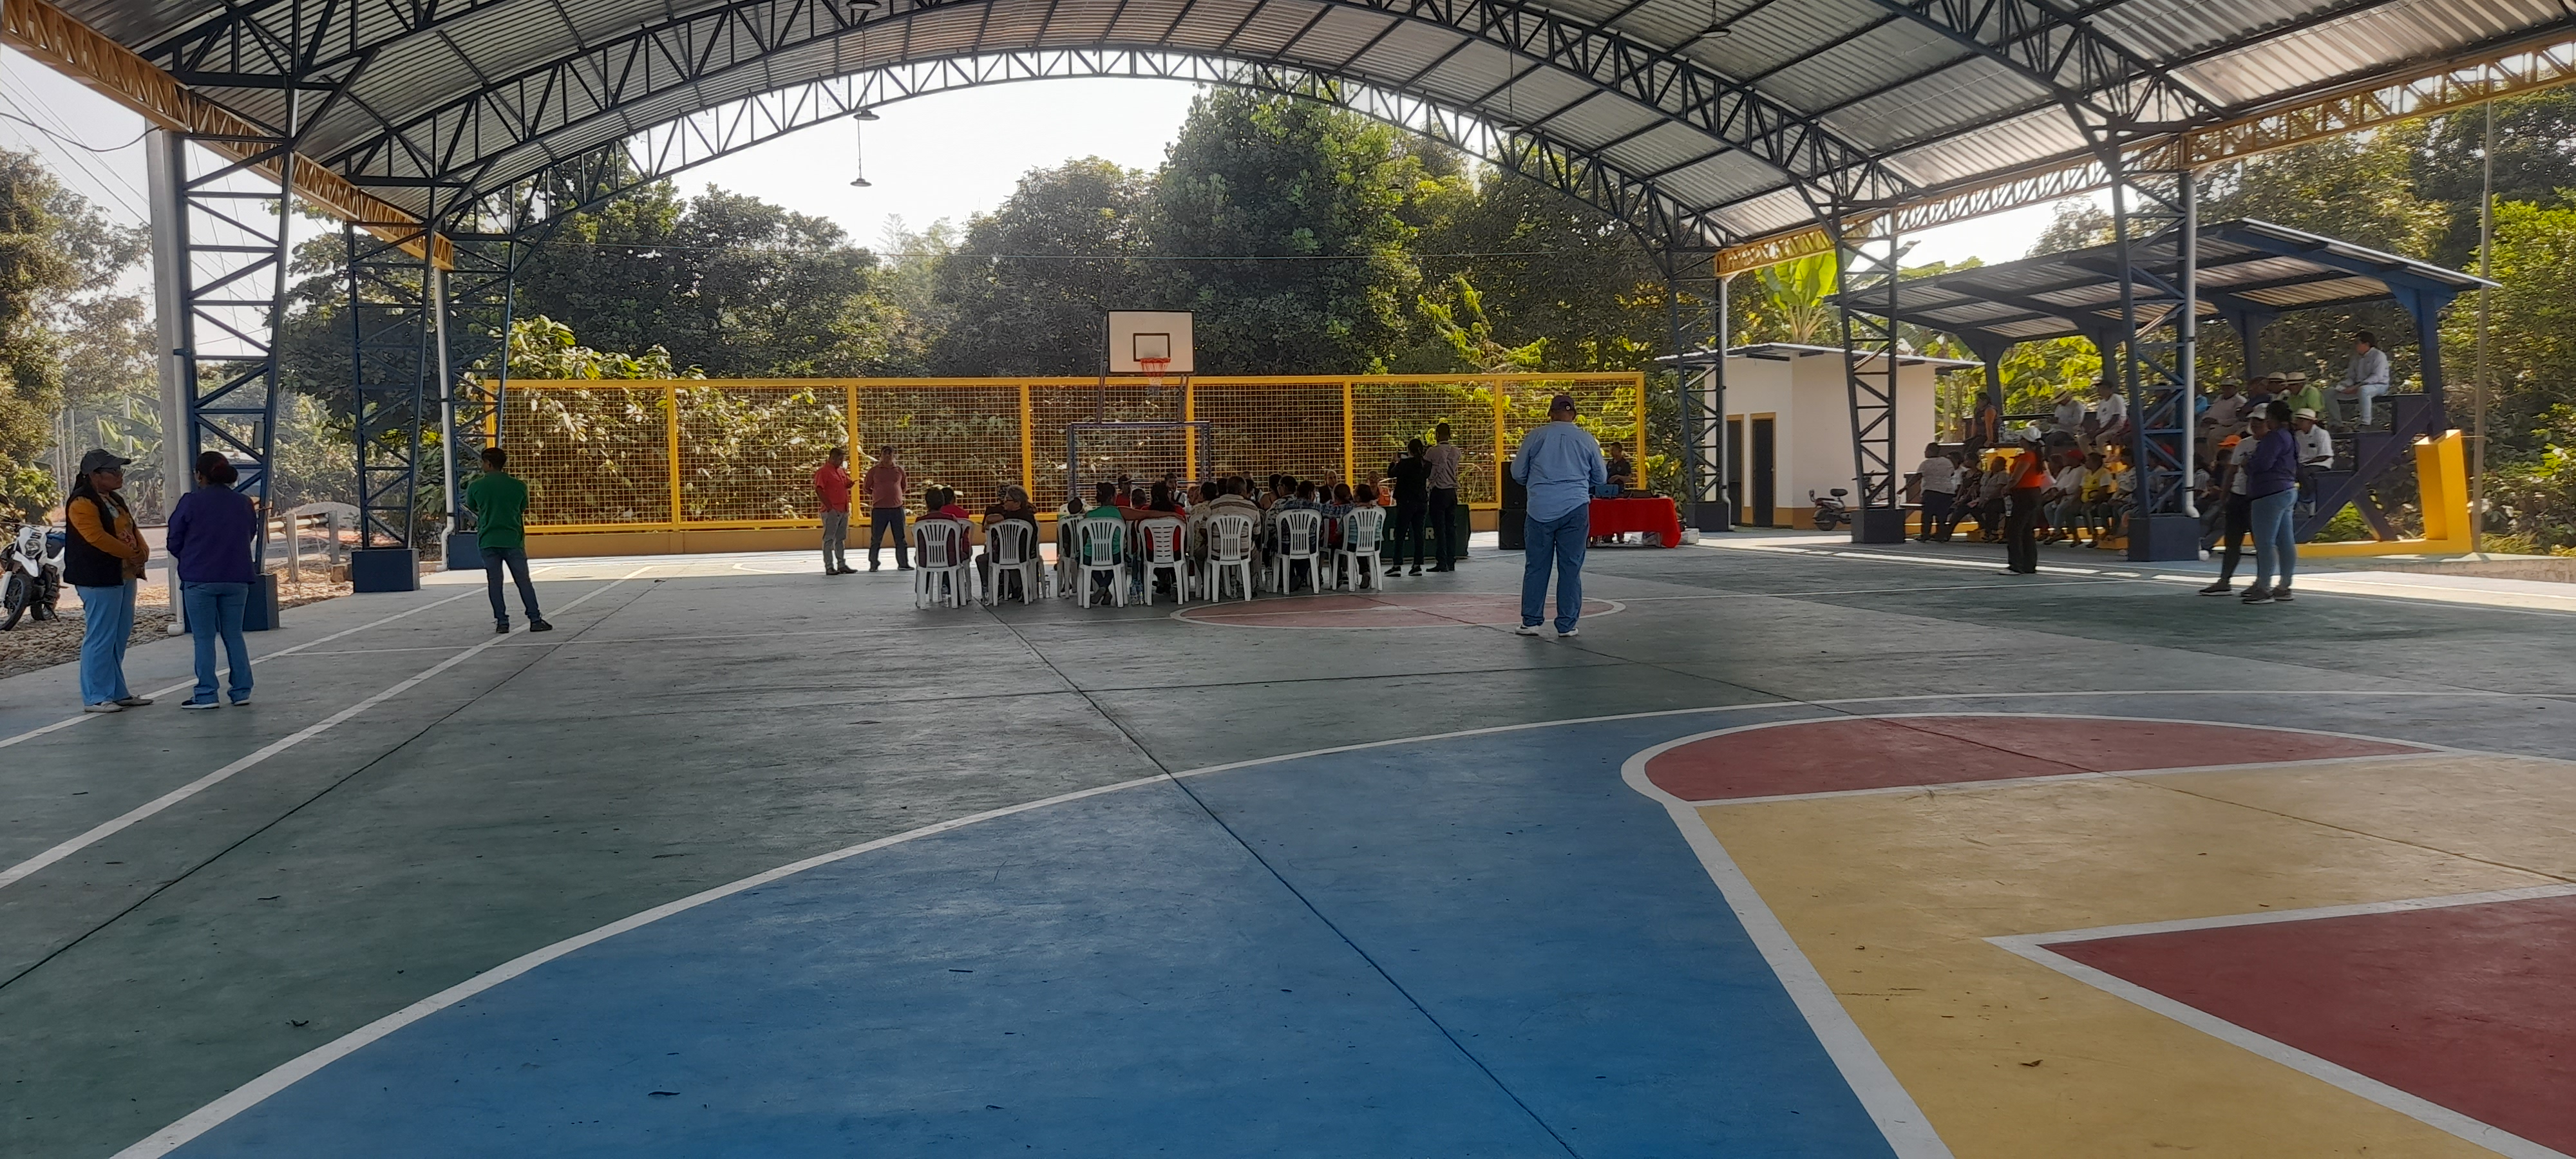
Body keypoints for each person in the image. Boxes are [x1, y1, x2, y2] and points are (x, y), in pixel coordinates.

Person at [167, 451, 258, 708]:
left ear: (199, 475)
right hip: (237, 577)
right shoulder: (243, 502)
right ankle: (241, 691)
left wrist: (191, 556)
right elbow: (250, 533)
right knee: (234, 635)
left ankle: (206, 694)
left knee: (204, 638)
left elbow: (174, 539)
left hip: (199, 578)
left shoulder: (191, 502)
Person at [1510, 393, 1606, 637]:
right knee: (1571, 568)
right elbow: (1601, 477)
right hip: (1575, 508)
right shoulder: (1587, 439)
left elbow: (1518, 473)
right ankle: (1567, 625)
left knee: (1536, 567)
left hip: (1540, 509)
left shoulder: (1536, 436)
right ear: (1574, 414)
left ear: (1550, 413)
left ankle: (1531, 622)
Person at [64, 449, 151, 712]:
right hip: (98, 578)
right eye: (112, 471)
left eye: (119, 471)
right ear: (93, 475)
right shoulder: (82, 503)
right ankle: (96, 696)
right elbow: (97, 538)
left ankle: (117, 691)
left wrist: (142, 551)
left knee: (118, 635)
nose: (119, 475)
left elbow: (130, 528)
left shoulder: (114, 499)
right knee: (101, 636)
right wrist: (131, 554)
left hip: (124, 574)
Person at [464, 447, 551, 634]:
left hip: (488, 540)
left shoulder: (476, 486)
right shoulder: (518, 486)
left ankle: (502, 622)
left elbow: (472, 506)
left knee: (495, 582)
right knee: (523, 581)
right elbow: (522, 507)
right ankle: (535, 619)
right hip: (513, 539)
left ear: (488, 464)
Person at [2242, 400, 2302, 604]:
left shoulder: (2274, 437)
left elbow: (2263, 463)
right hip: (2287, 489)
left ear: (2271, 418)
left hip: (2268, 492)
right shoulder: (2290, 436)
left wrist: (2248, 464)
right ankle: (2284, 585)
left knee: (2265, 542)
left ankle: (2264, 587)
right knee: (2286, 541)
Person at [2200, 422, 2262, 595]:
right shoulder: (2244, 444)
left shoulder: (2271, 444)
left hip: (2258, 496)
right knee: (2232, 541)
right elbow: (2232, 471)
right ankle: (2224, 580)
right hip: (2238, 495)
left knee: (2261, 542)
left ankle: (2261, 582)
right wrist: (2225, 495)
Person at [2001, 432, 2050, 575]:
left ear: (2026, 441)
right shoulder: (2038, 457)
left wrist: (2007, 488)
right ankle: (2029, 564)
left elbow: (2016, 477)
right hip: (2034, 493)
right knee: (2027, 530)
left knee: (2014, 530)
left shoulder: (2027, 456)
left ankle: (2016, 565)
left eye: (2022, 438)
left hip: (2024, 494)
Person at [861, 445, 909, 571]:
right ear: (881, 456)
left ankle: (903, 564)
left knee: (900, 538)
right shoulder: (874, 471)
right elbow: (866, 488)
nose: (888, 456)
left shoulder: (899, 470)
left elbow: (904, 487)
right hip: (879, 509)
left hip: (897, 508)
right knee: (876, 538)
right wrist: (878, 494)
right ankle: (873, 564)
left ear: (894, 456)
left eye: (890, 454)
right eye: (885, 454)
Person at [1387, 438, 1432, 574]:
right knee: (1419, 534)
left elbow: (1391, 474)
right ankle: (1417, 565)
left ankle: (1397, 565)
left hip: (1406, 503)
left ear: (1409, 450)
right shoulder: (1427, 465)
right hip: (1422, 502)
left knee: (1400, 533)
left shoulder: (1404, 464)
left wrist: (1394, 461)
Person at [1424, 422, 1463, 571]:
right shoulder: (1456, 452)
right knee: (1451, 528)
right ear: (1450, 435)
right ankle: (1451, 561)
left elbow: (1426, 468)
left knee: (1439, 529)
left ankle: (1441, 562)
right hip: (1452, 492)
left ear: (1437, 435)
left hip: (1438, 492)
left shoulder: (1432, 452)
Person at [2331, 331, 2390, 429]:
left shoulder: (2379, 355)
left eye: (2357, 343)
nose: (2355, 345)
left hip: (2379, 385)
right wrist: (2343, 385)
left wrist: (2357, 386)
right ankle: (2336, 423)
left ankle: (2365, 423)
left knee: (2364, 390)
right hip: (2358, 386)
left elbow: (2377, 377)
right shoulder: (2355, 357)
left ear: (2366, 344)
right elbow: (2351, 377)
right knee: (2330, 393)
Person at [815, 447, 853, 576]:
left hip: (843, 509)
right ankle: (829, 566)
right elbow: (819, 489)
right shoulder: (823, 472)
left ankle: (841, 564)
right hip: (832, 510)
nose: (841, 462)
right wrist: (829, 507)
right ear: (832, 458)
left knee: (840, 538)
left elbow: (844, 483)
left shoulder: (841, 471)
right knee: (829, 539)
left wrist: (848, 484)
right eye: (839, 459)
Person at [1912, 442, 1956, 542]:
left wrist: (1906, 487)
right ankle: (1940, 535)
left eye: (1926, 450)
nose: (1925, 452)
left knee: (1927, 515)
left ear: (1931, 451)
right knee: (1942, 515)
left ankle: (1925, 534)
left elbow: (1917, 477)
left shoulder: (1926, 463)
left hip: (1931, 490)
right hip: (1947, 491)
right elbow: (1952, 474)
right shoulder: (1947, 462)